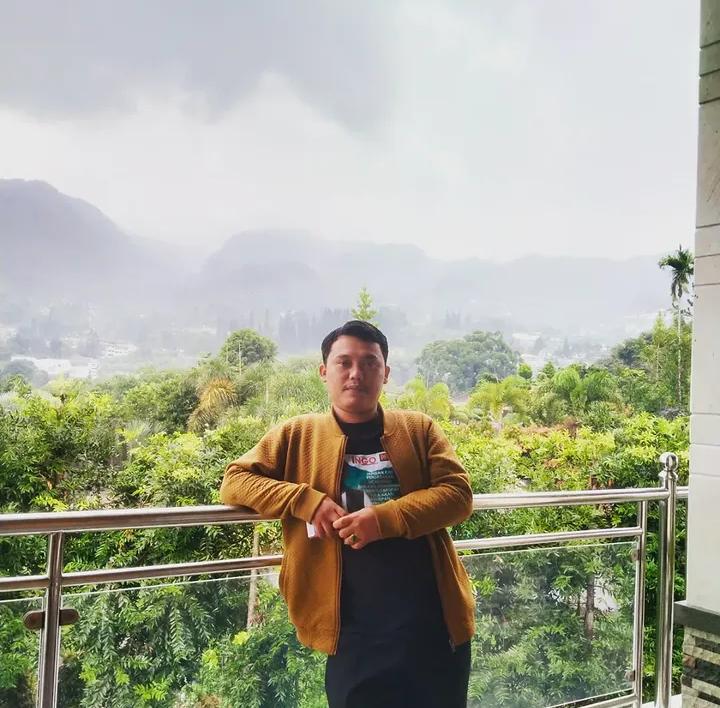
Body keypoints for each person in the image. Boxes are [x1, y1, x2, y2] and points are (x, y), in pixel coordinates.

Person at [220, 320, 475, 707]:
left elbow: (457, 495)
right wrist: (306, 501)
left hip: (434, 627)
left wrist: (383, 520)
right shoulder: (297, 435)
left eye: (370, 362)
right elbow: (235, 481)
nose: (357, 373)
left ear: (386, 373)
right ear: (324, 371)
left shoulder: (418, 429)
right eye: (344, 362)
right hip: (351, 635)